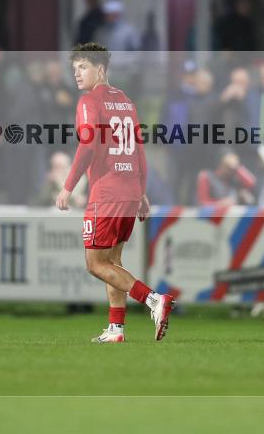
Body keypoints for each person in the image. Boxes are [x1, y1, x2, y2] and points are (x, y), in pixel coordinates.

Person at [55, 43, 174, 343]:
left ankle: (153, 300)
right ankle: (116, 329)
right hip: (130, 190)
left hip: (106, 193)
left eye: (83, 67)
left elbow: (87, 146)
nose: (77, 74)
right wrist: (143, 193)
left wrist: (68, 187)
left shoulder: (88, 102)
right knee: (114, 262)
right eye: (75, 68)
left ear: (101, 70)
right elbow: (138, 150)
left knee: (96, 264)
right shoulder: (125, 101)